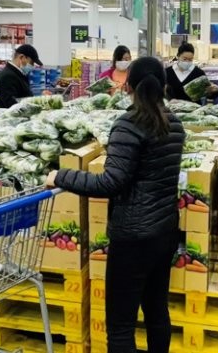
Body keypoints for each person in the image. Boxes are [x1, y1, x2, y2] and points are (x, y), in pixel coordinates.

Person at [45, 57, 184, 353]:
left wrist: (61, 175)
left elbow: (110, 183)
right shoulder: (174, 123)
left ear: (128, 86)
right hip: (165, 231)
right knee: (157, 310)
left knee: (120, 325)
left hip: (133, 237)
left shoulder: (128, 124)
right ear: (164, 86)